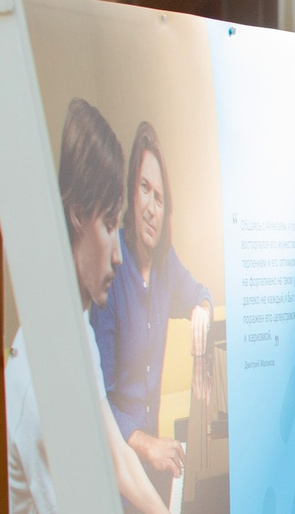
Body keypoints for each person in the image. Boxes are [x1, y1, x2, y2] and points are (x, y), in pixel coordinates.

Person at [12, 99, 180, 514]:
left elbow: (116, 455)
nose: (118, 248)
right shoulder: (34, 382)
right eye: (111, 223)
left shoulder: (74, 329)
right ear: (79, 215)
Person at [90, 121, 210, 479]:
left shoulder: (165, 264)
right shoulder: (110, 273)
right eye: (145, 189)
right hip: (117, 471)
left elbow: (199, 293)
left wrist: (202, 310)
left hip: (152, 466)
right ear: (131, 190)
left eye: (160, 198)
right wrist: (147, 444)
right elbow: (101, 400)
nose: (151, 208)